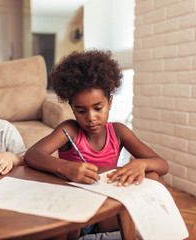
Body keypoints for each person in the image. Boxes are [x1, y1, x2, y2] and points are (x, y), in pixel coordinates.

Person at [24, 50, 169, 238]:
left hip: (106, 214)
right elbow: (32, 154)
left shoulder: (118, 132)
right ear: (72, 108)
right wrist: (66, 168)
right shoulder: (70, 130)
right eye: (81, 110)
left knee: (155, 177)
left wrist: (141, 163)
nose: (91, 118)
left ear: (110, 102)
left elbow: (163, 165)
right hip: (77, 213)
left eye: (98, 108)